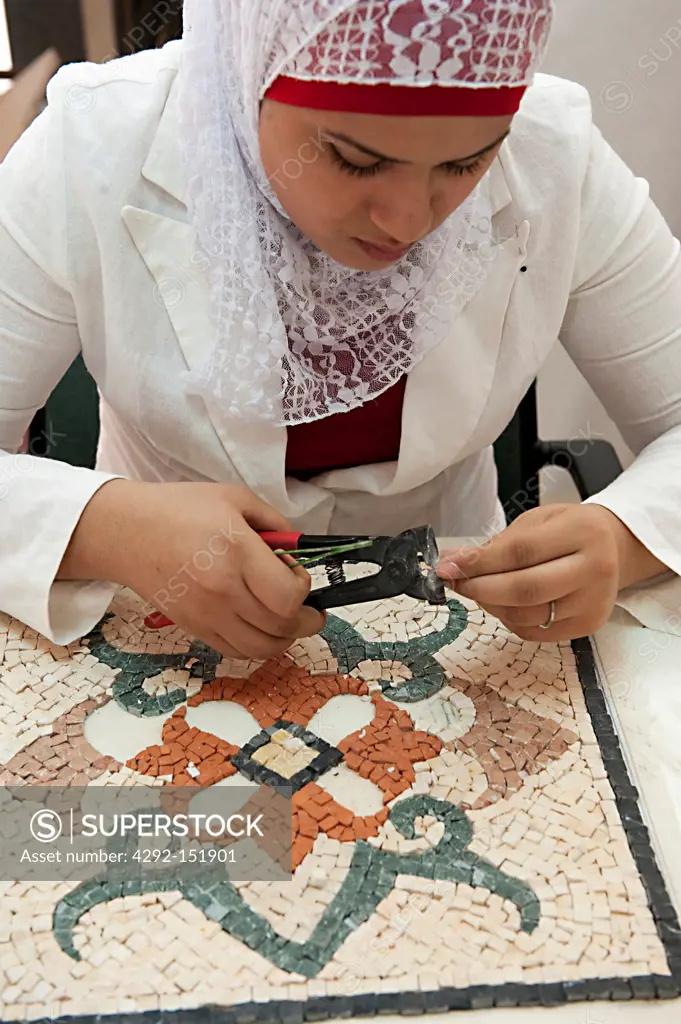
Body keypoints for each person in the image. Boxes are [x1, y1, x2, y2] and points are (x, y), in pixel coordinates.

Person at [0, 0, 680, 660]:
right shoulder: (90, 143)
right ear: (249, 69)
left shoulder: (555, 152)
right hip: (155, 611)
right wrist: (108, 529)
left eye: (464, 163)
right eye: (356, 160)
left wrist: (626, 538)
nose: (408, 221)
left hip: (458, 631)